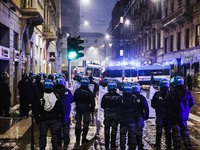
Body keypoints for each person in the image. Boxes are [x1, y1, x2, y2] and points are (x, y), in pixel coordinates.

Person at [165, 76, 195, 150]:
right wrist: (186, 109)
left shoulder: (171, 93)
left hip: (174, 117)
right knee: (185, 133)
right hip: (183, 117)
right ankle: (189, 147)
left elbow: (166, 103)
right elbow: (192, 103)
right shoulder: (187, 92)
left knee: (176, 135)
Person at [35, 79, 64, 150]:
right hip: (54, 119)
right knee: (54, 134)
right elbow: (61, 108)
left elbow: (36, 109)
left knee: (42, 135)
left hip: (43, 119)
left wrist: (37, 119)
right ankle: (55, 147)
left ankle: (42, 148)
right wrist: (61, 117)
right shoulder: (56, 96)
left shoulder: (41, 96)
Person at [73, 77, 95, 146]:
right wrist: (92, 111)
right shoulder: (90, 92)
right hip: (86, 108)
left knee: (78, 123)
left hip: (79, 108)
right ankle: (84, 137)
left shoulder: (77, 91)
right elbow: (92, 103)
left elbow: (74, 99)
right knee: (86, 123)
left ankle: (77, 138)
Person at [151, 79, 171, 149]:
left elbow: (152, 104)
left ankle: (158, 144)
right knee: (168, 130)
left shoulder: (157, 94)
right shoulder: (170, 94)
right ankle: (168, 145)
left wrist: (158, 108)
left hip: (159, 115)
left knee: (159, 129)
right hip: (168, 115)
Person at [118, 82, 138, 150]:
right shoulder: (134, 98)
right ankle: (132, 148)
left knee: (123, 135)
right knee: (132, 136)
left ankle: (122, 148)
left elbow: (118, 110)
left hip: (123, 121)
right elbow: (136, 110)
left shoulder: (120, 98)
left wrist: (119, 119)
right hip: (132, 120)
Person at [101, 81, 120, 150]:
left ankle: (106, 145)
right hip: (115, 114)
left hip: (107, 114)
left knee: (106, 129)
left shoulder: (105, 96)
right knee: (114, 129)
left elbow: (102, 105)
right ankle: (112, 144)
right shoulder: (118, 96)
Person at [54, 77, 73, 145]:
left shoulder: (54, 91)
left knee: (58, 126)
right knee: (65, 125)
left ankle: (59, 140)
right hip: (66, 111)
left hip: (57, 111)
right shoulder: (67, 91)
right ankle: (66, 140)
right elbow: (71, 100)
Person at [132, 82, 149, 150]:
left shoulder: (129, 97)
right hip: (140, 117)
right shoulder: (141, 97)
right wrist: (146, 116)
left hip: (131, 117)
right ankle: (139, 144)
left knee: (132, 131)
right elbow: (146, 107)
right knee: (139, 131)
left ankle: (132, 144)